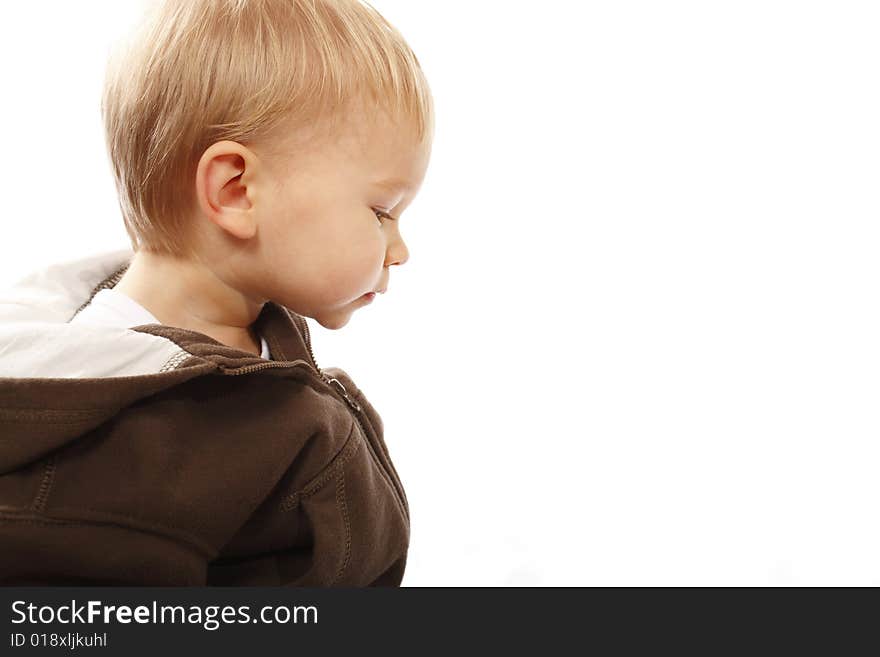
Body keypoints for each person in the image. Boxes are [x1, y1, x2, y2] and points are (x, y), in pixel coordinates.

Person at [0, 0, 433, 586]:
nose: (400, 249)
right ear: (236, 191)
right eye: (382, 211)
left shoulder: (252, 358)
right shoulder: (115, 450)